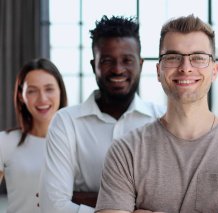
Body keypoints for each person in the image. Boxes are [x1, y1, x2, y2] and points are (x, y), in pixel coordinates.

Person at [95, 14, 218, 213]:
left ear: (214, 71)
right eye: (173, 57)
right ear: (158, 71)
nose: (185, 68)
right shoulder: (126, 151)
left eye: (198, 58)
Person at [39, 16, 165, 213]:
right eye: (107, 60)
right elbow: (52, 206)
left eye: (127, 60)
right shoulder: (66, 122)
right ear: (93, 65)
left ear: (140, 64)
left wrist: (82, 199)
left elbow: (171, 201)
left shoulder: (162, 120)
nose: (117, 69)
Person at [0, 58, 67, 213]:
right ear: (21, 96)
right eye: (32, 91)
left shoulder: (77, 143)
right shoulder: (4, 142)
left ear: (60, 91)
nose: (42, 98)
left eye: (49, 89)